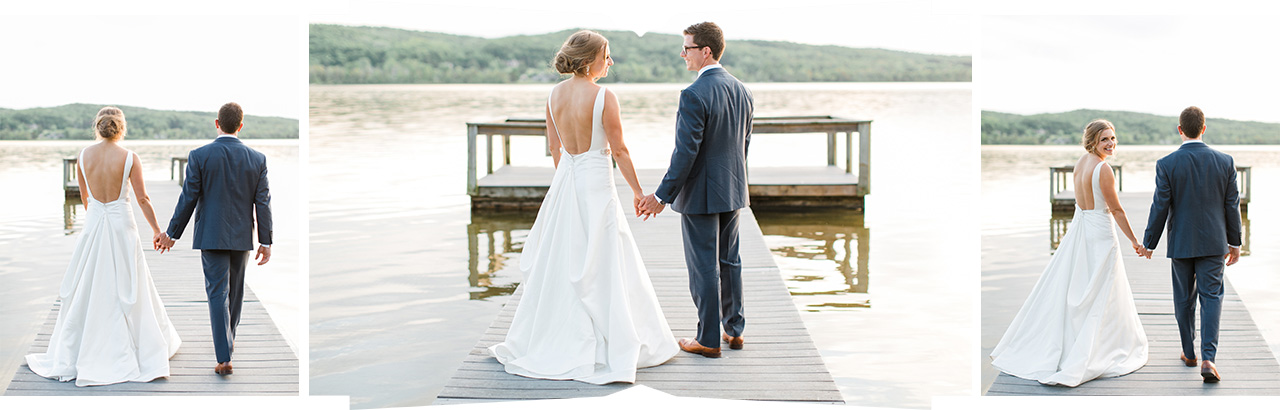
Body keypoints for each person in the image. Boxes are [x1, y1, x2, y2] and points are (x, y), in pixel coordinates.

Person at [487, 30, 678, 384]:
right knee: (603, 258)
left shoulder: (553, 95)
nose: (611, 62)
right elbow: (619, 150)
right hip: (596, 184)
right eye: (607, 56)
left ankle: (555, 338)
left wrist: (567, 181)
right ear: (590, 59)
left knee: (563, 256)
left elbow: (555, 148)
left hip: (568, 181)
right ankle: (608, 343)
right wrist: (638, 192)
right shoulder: (604, 96)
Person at [25, 107, 182, 386]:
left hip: (94, 225)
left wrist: (99, 216)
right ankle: (137, 348)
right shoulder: (130, 158)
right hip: (123, 225)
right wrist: (158, 231)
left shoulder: (83, 157)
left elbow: (86, 200)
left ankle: (83, 347)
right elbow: (143, 198)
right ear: (121, 128)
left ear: (97, 127)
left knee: (89, 283)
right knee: (129, 284)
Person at [989, 119, 1148, 386]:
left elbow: (1081, 202)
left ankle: (1074, 341)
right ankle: (1098, 347)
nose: (1110, 144)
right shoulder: (1103, 169)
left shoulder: (1080, 163)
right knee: (1102, 289)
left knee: (1081, 287)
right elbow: (1117, 210)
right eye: (1104, 140)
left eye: (1112, 138)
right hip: (1099, 232)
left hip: (1082, 228)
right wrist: (1135, 241)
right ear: (1093, 142)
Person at [639, 21, 754, 358]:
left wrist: (661, 196)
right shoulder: (743, 90)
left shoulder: (694, 94)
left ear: (705, 51)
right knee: (729, 261)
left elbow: (686, 152)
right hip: (733, 189)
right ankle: (734, 331)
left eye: (687, 48)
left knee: (704, 265)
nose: (682, 54)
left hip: (702, 194)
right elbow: (743, 143)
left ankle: (707, 338)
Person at [156, 102, 272, 375]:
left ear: (217, 123)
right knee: (236, 293)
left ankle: (224, 355)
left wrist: (172, 234)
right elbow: (263, 203)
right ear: (241, 126)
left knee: (217, 294)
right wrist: (265, 242)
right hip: (243, 236)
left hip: (211, 235)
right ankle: (226, 345)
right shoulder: (257, 159)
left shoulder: (199, 156)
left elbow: (188, 198)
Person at [1139, 106, 1243, 383]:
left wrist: (1149, 243)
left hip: (1182, 242)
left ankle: (1189, 353)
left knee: (1184, 300)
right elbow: (1232, 206)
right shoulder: (1225, 161)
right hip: (1214, 242)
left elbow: (1160, 205)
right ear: (1204, 128)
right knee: (1212, 298)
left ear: (1180, 130)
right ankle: (1208, 358)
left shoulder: (1167, 163)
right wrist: (1235, 242)